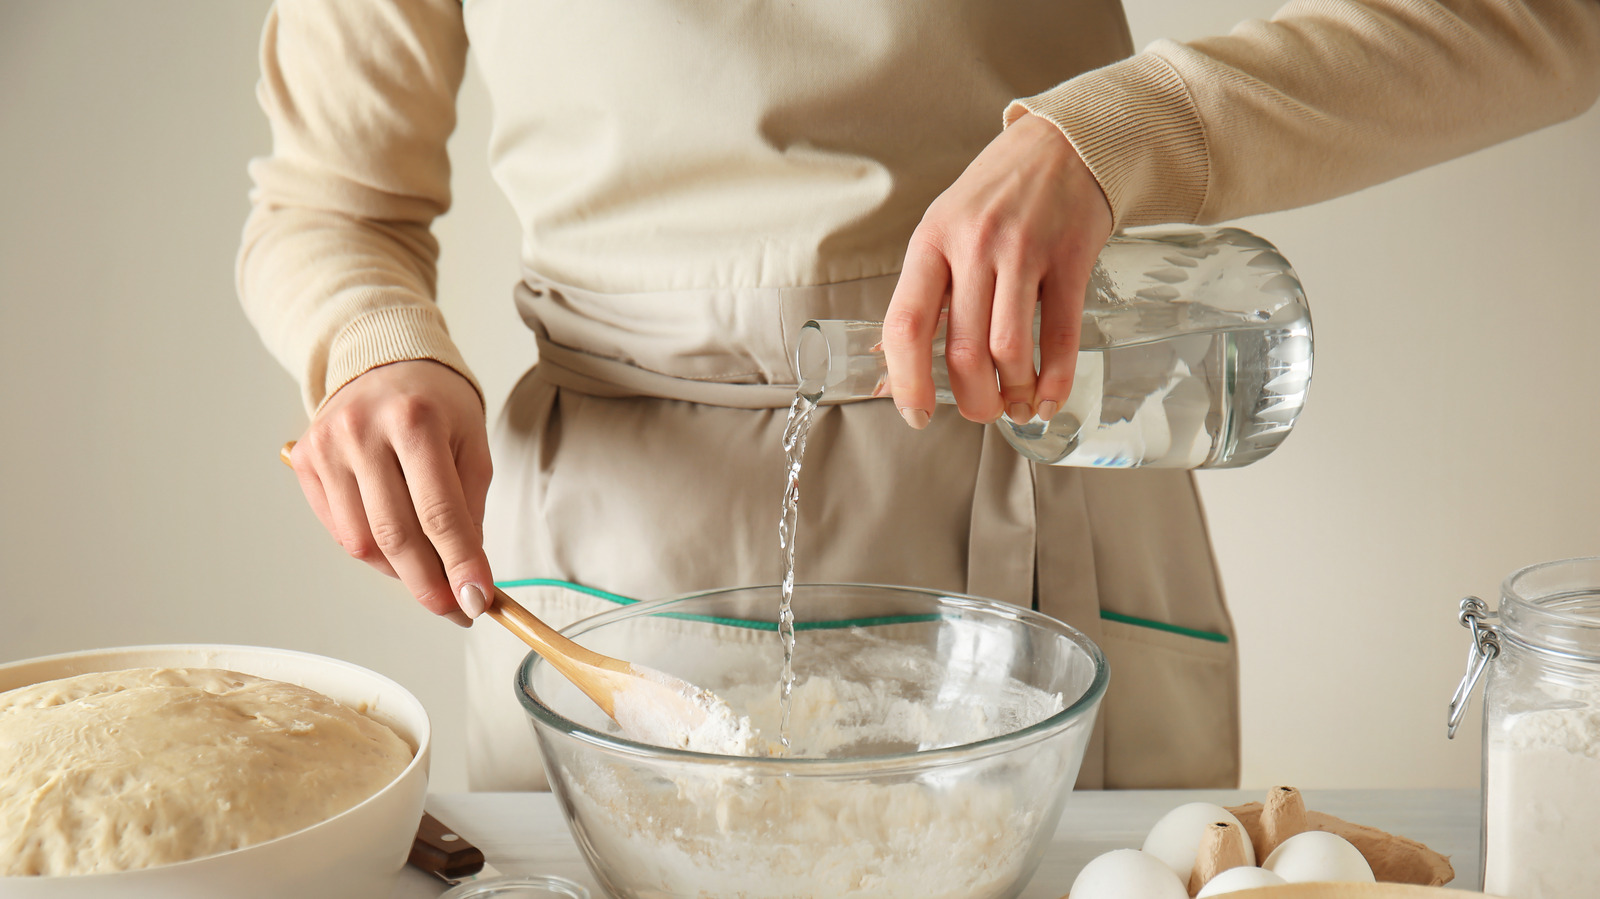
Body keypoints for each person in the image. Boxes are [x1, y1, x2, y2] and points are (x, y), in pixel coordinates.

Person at [239, 0, 1600, 790]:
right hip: (611, 570)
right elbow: (327, 204)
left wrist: (1122, 131)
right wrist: (372, 346)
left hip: (1040, 495)